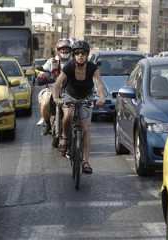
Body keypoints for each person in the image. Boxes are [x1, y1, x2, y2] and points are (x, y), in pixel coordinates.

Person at [53, 40, 106, 174]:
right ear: (73, 55)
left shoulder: (92, 68)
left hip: (86, 97)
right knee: (68, 115)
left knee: (86, 128)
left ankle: (86, 162)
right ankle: (65, 137)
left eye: (83, 53)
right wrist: (56, 98)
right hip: (70, 95)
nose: (80, 55)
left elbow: (98, 84)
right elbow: (58, 84)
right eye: (77, 53)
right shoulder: (69, 67)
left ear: (87, 55)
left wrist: (101, 97)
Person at [36, 38, 73, 135]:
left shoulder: (74, 61)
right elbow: (43, 71)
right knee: (45, 102)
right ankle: (47, 124)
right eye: (62, 48)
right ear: (58, 50)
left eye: (67, 48)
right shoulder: (51, 61)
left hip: (70, 89)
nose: (64, 50)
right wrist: (42, 75)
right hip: (52, 88)